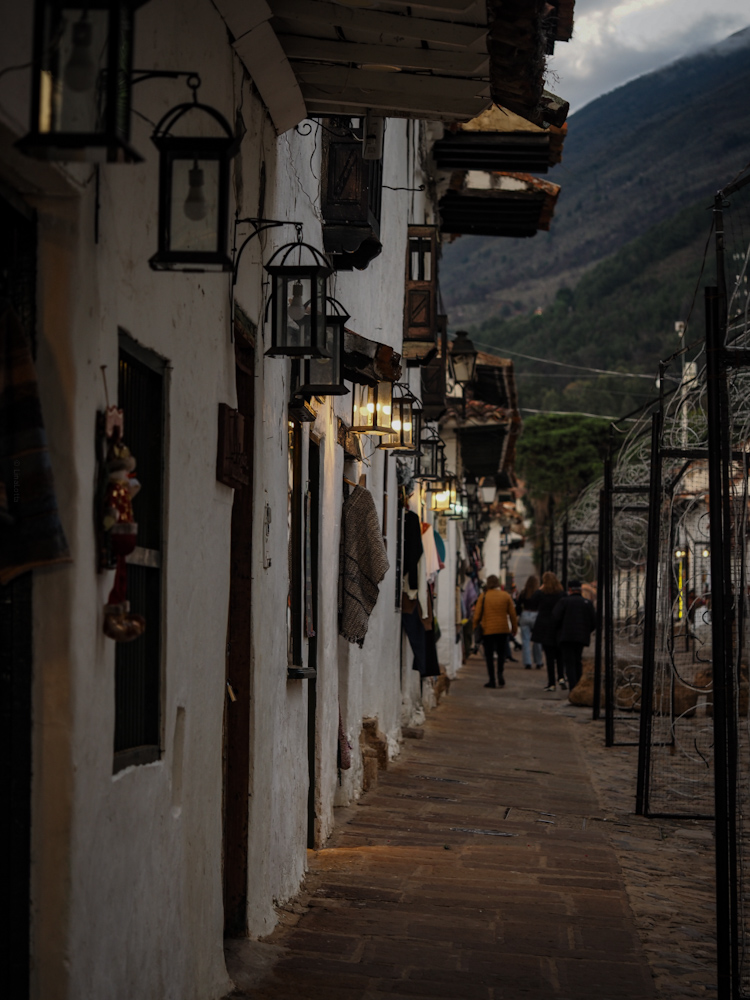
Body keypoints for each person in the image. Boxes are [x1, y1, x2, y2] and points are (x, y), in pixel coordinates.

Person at [473, 575, 518, 689]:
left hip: (488, 630)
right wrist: (514, 628)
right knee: (501, 654)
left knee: (489, 656)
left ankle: (492, 680)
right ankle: (500, 674)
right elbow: (513, 614)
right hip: (502, 630)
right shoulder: (505, 596)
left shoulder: (484, 596)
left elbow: (477, 615)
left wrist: (475, 627)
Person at [552, 579, 597, 691]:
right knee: (577, 660)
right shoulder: (587, 603)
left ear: (570, 589)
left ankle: (573, 687)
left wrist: (559, 631)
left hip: (566, 637)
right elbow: (594, 622)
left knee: (569, 662)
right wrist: (586, 631)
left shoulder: (564, 601)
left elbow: (555, 618)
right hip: (581, 637)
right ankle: (578, 684)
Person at [531, 571, 565, 692]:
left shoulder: (542, 594)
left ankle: (551, 683)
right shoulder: (561, 594)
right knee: (560, 654)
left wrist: (540, 589)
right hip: (558, 627)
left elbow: (532, 601)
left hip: (545, 628)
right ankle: (561, 676)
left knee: (549, 657)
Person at [516, 574, 544, 670]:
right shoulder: (540, 593)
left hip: (525, 614)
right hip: (535, 615)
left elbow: (518, 606)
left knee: (525, 640)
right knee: (537, 640)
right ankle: (539, 661)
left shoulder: (523, 592)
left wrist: (519, 615)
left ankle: (527, 662)